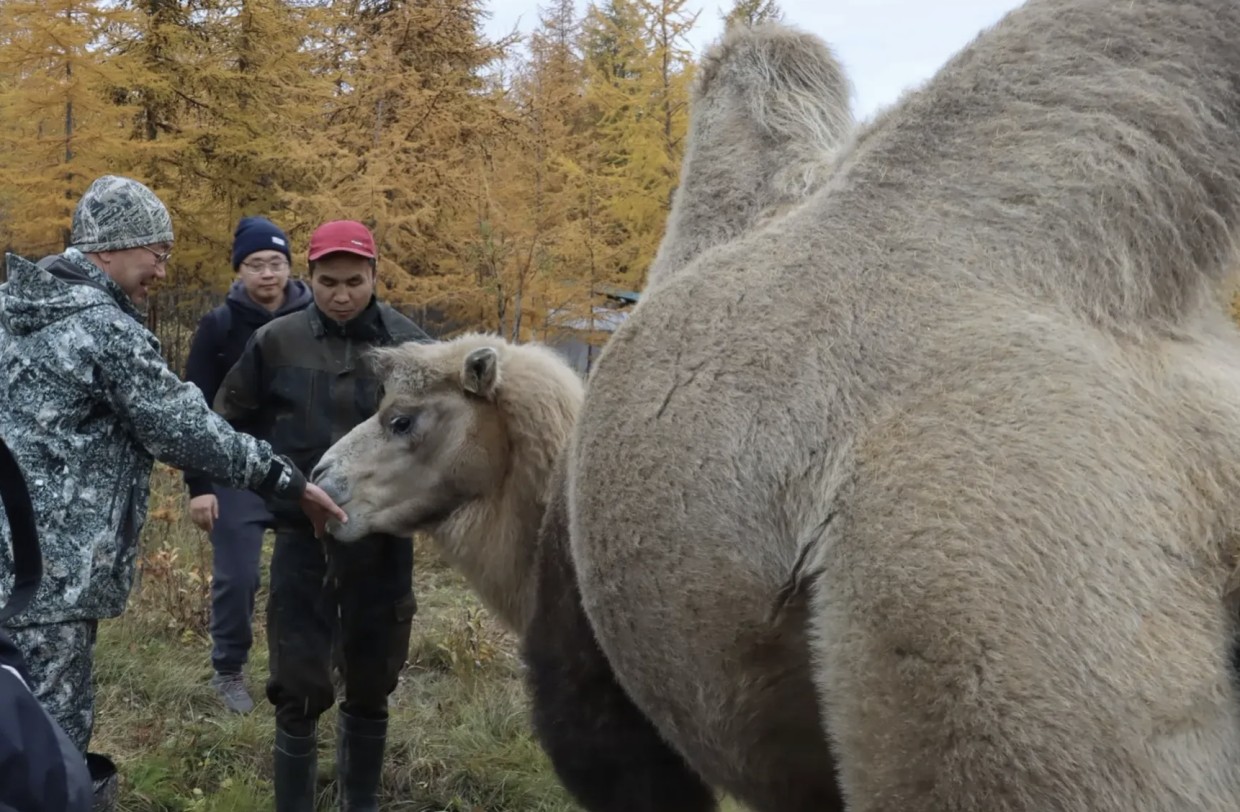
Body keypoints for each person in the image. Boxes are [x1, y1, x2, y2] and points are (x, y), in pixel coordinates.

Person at [0, 174, 346, 763]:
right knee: (49, 743)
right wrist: (288, 480)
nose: (162, 271)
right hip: (55, 573)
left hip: (12, 558)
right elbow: (183, 427)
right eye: (156, 254)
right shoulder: (104, 328)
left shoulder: (17, 306)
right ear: (109, 249)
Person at [214, 219, 430, 812]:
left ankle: (360, 801)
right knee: (298, 685)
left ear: (374, 276)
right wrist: (267, 485)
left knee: (371, 681)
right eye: (328, 282)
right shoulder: (276, 342)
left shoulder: (412, 349)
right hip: (300, 540)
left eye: (354, 282)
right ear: (309, 277)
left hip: (382, 544)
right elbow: (228, 421)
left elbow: (439, 443)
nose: (341, 295)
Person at [182, 215, 314, 714]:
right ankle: (229, 671)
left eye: (276, 262)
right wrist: (199, 485)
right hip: (235, 470)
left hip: (301, 468)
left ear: (289, 266)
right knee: (238, 578)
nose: (267, 273)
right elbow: (193, 409)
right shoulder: (219, 326)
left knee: (310, 577)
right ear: (239, 270)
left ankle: (309, 668)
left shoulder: (316, 319)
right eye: (256, 264)